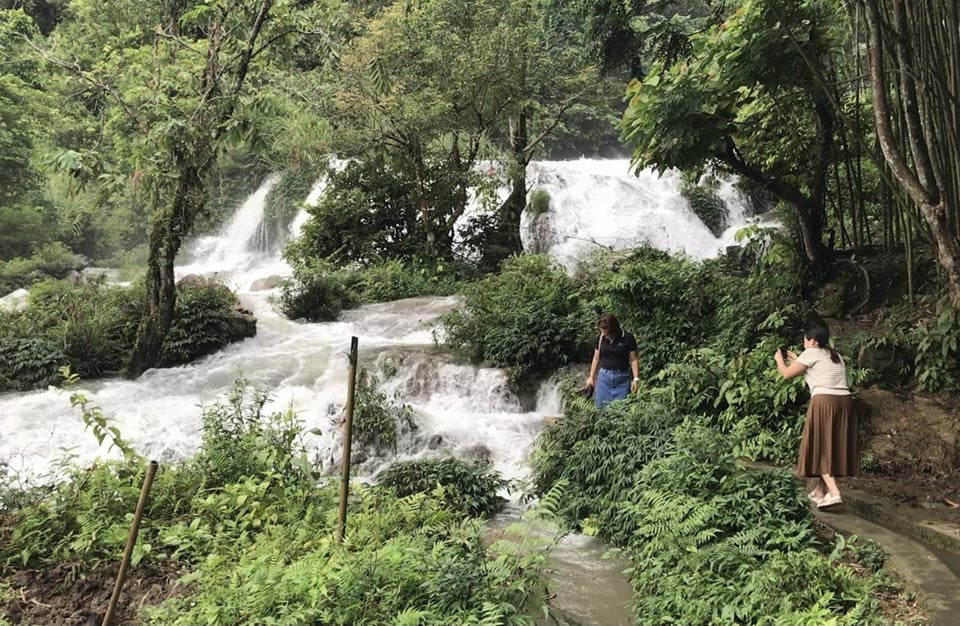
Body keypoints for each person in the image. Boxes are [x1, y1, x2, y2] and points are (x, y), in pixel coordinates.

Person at [774, 324, 858, 509]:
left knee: (820, 445)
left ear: (813, 341)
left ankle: (834, 492)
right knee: (831, 445)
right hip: (844, 403)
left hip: (824, 402)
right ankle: (820, 491)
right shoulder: (835, 356)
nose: (804, 344)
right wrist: (796, 359)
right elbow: (815, 370)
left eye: (805, 340)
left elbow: (787, 374)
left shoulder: (811, 353)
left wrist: (779, 359)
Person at [585, 313, 640, 408]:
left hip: (622, 379)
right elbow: (596, 358)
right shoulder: (600, 338)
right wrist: (591, 377)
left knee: (621, 411)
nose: (604, 335)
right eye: (602, 332)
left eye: (606, 333)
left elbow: (633, 359)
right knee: (600, 409)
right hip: (604, 378)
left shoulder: (627, 338)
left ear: (614, 330)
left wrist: (635, 378)